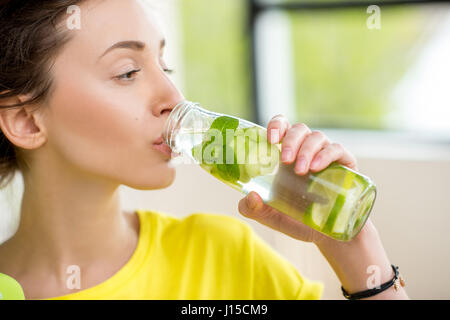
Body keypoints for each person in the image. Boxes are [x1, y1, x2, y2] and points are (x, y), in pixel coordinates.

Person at [0, 0, 408, 300]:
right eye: (127, 72)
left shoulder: (224, 256)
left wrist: (353, 248)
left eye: (166, 67)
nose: (173, 96)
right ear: (27, 121)